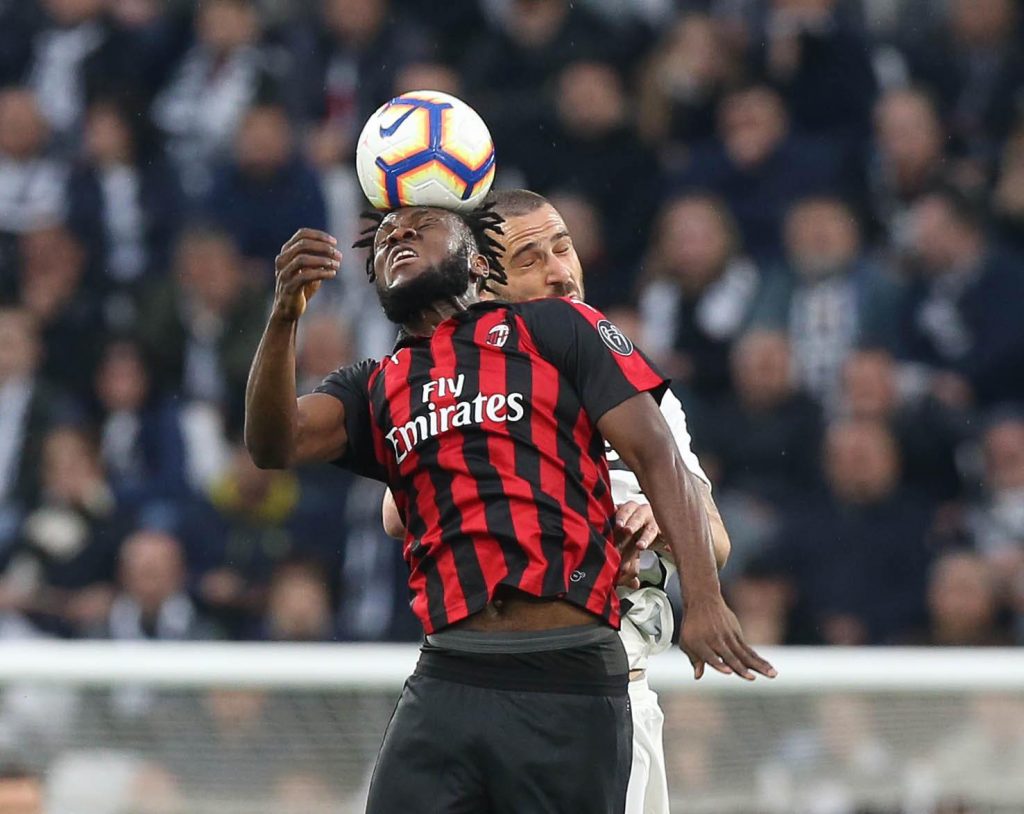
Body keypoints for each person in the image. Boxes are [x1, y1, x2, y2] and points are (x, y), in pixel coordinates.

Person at [244, 203, 775, 813]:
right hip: (450, 668)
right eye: (385, 239)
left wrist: (703, 601)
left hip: (570, 668)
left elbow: (660, 459)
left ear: (475, 264)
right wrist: (284, 315)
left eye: (421, 227)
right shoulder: (380, 383)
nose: (400, 235)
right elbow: (273, 444)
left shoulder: (556, 332)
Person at [380, 188, 733, 814]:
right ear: (486, 283)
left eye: (563, 248)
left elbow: (716, 540)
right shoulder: (466, 383)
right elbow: (395, 512)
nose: (560, 272)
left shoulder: (636, 388)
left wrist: (663, 520)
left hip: (612, 687)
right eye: (530, 259)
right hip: (486, 676)